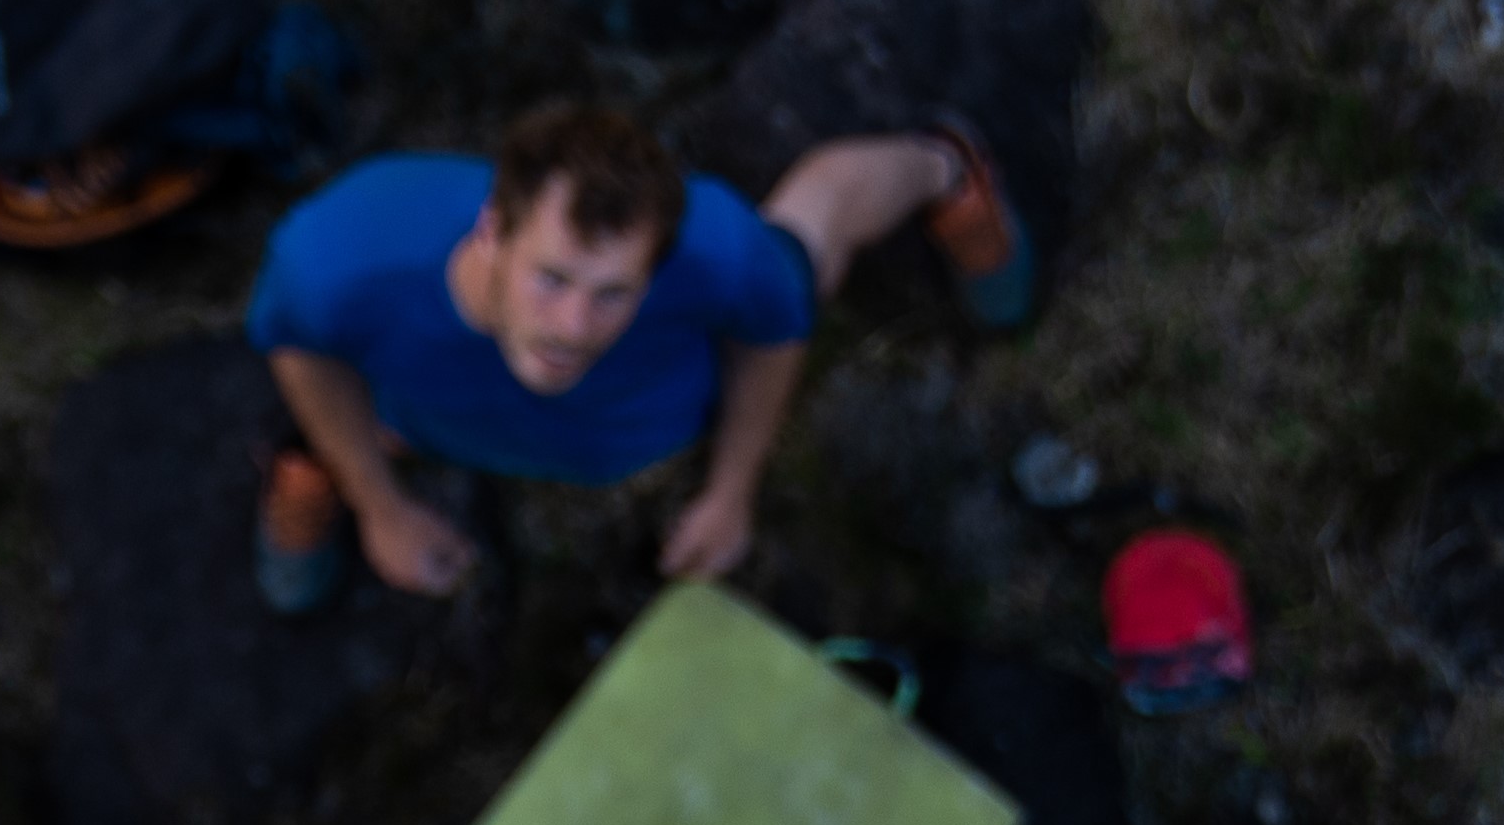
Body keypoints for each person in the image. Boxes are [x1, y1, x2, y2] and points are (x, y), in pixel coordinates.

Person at [244, 100, 1029, 612]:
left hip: (654, 416)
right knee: (327, 414)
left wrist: (731, 492)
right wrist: (380, 505)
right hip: (421, 410)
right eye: (551, 278)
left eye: (614, 291)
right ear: (492, 229)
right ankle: (329, 467)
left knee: (805, 247)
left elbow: (774, 333)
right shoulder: (341, 257)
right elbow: (301, 350)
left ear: (657, 264)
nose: (573, 327)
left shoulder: (712, 249)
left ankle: (945, 166)